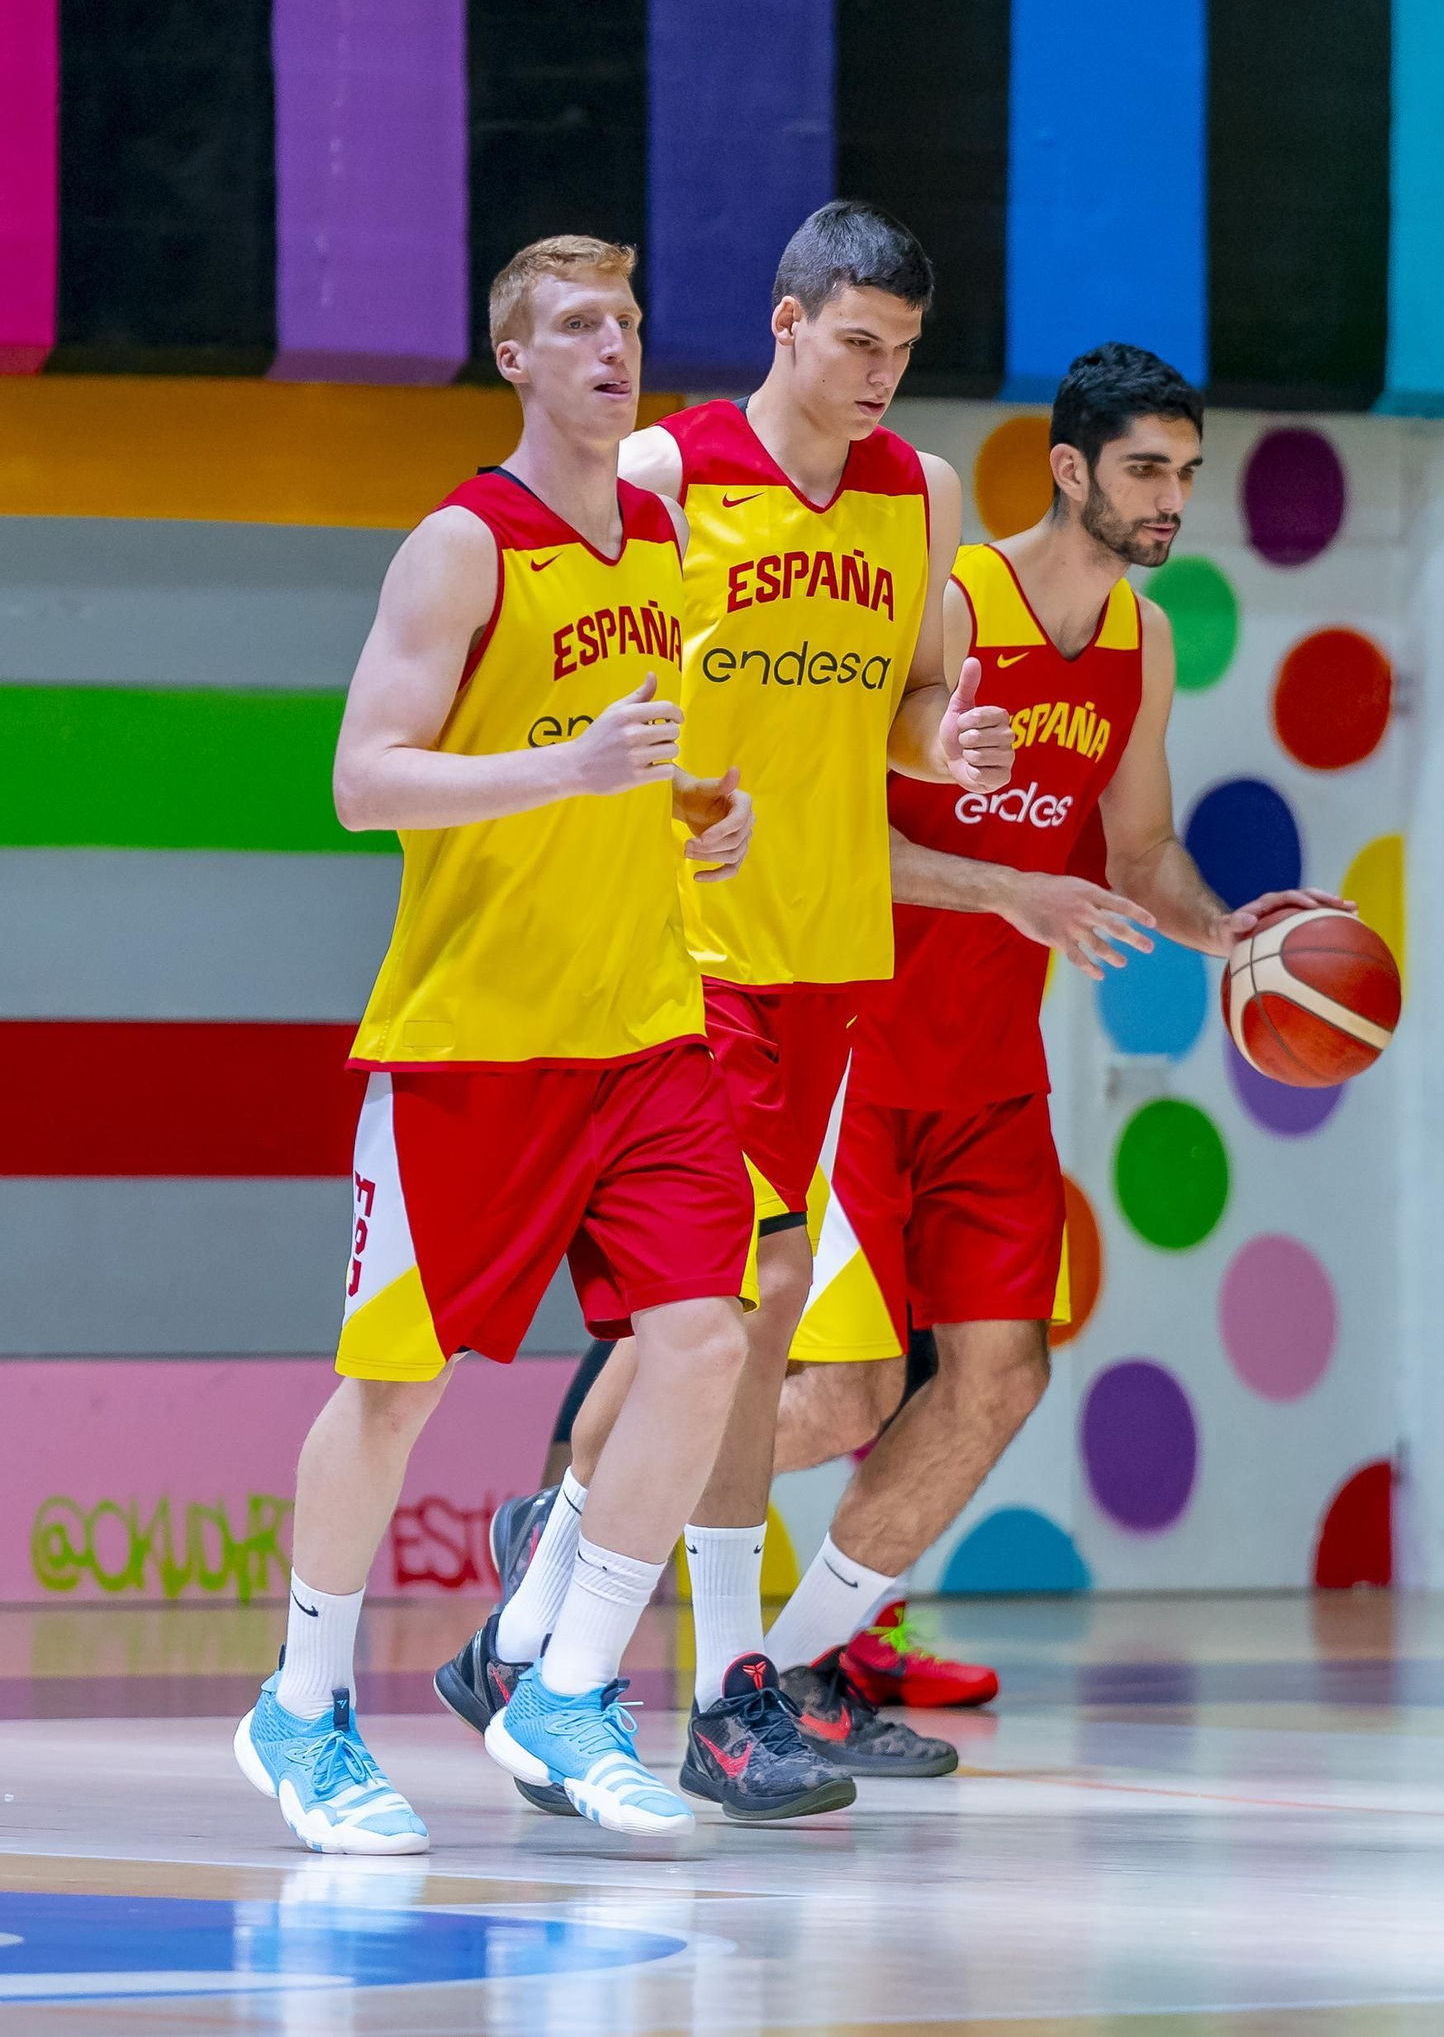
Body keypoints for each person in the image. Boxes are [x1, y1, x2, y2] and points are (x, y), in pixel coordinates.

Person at [460, 202, 1016, 1814]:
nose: (881, 381)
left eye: (904, 355)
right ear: (783, 323)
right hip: (685, 957)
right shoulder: (668, 474)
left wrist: (951, 753)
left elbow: (915, 708)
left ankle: (537, 1610)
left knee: (716, 1330)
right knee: (732, 1325)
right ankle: (714, 1691)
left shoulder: (917, 495)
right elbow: (566, 674)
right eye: (857, 345)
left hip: (836, 955)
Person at [234, 233, 783, 1851]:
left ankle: (565, 1689)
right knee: (391, 1392)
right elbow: (365, 780)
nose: (611, 345)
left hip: (646, 1030)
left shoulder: (668, 539)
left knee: (706, 1337)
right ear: (516, 361)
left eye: (622, 319)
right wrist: (577, 773)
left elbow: (623, 768)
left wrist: (698, 812)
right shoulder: (461, 546)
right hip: (474, 1044)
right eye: (573, 325)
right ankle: (302, 1708)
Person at [761, 344, 1357, 1700]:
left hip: (988, 1074)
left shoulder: (1142, 645)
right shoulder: (952, 605)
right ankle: (573, 1523)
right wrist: (1013, 891)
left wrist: (1236, 935)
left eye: (1189, 475)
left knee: (1000, 1380)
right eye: (1150, 469)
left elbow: (1139, 853)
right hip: (856, 1054)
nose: (1172, 500)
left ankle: (805, 1666)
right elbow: (827, 837)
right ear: (1072, 468)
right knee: (844, 1396)